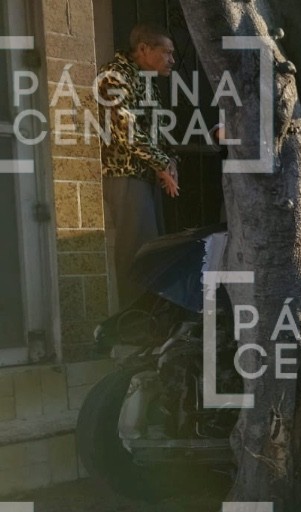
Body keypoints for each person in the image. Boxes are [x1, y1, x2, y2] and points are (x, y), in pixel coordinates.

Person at [98, 24, 179, 306]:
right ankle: (133, 319)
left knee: (153, 249)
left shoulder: (145, 78)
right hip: (126, 174)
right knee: (137, 250)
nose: (172, 59)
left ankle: (150, 315)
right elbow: (126, 129)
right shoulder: (115, 76)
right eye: (166, 52)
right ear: (143, 49)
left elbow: (156, 127)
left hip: (147, 173)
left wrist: (169, 160)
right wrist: (161, 163)